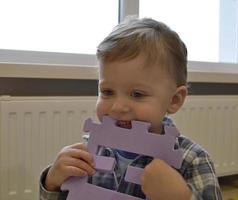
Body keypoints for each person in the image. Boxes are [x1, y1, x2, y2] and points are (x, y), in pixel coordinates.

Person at [39, 17, 222, 200]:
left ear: (174, 100)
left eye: (137, 94)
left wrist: (181, 197)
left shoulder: (191, 159)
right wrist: (52, 183)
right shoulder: (89, 153)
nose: (118, 107)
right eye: (107, 91)